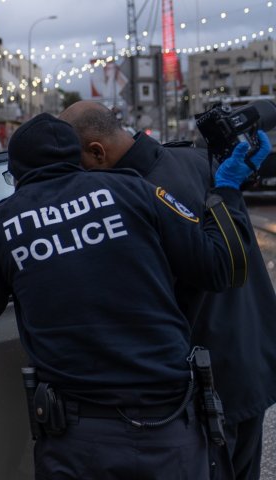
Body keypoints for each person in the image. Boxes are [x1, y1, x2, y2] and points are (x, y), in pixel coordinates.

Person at [0, 113, 267, 479]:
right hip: (168, 424)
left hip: (79, 438)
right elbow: (219, 267)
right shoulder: (135, 189)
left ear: (17, 172)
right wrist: (225, 189)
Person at [60, 100, 276, 480]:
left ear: (97, 151)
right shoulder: (201, 161)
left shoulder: (130, 198)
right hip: (251, 360)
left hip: (205, 385)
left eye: (77, 162)